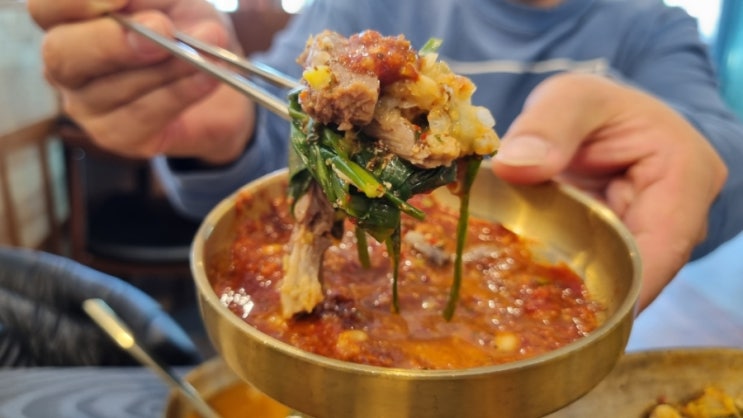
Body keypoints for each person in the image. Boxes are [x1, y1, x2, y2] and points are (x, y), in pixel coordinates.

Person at [27, 0, 743, 311]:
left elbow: (721, 148)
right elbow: (282, 145)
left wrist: (702, 163)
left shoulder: (652, 27)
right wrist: (222, 134)